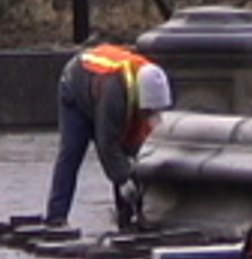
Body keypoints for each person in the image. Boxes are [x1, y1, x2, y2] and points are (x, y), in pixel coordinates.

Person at [44, 42, 173, 229]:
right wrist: (123, 179)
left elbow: (136, 141)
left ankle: (127, 217)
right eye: (147, 112)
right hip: (75, 87)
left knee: (124, 155)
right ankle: (56, 216)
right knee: (72, 152)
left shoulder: (150, 77)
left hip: (99, 87)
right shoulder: (115, 94)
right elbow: (107, 144)